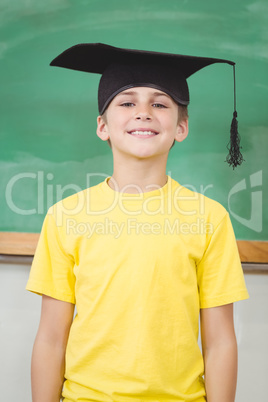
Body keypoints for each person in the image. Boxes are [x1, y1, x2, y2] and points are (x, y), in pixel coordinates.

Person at [26, 43, 249, 402]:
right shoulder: (66, 216)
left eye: (160, 104)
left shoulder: (209, 218)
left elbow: (221, 340)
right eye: (127, 102)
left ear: (181, 128)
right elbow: (51, 338)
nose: (143, 113)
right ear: (103, 126)